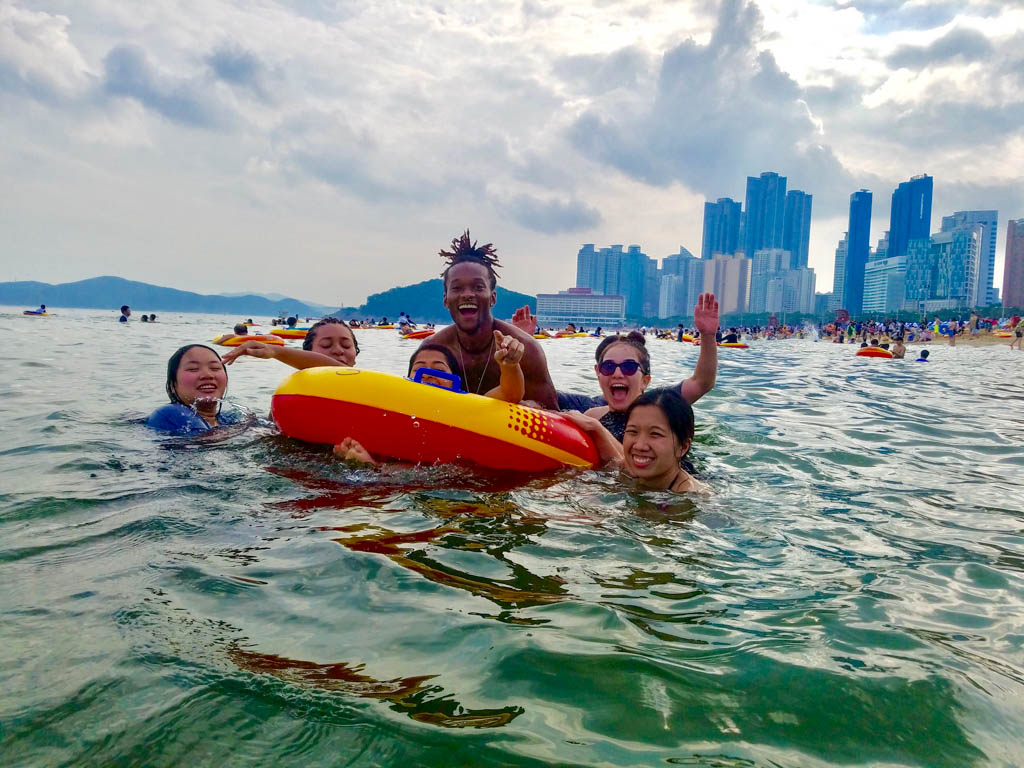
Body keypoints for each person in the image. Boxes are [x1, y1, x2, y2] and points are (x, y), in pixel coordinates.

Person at [420, 230, 557, 408]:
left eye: (478, 287)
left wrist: (530, 405)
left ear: (493, 298)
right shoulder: (432, 349)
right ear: (446, 300)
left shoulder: (527, 349)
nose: (467, 294)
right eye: (457, 288)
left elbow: (553, 411)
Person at [547, 293, 719, 426]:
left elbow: (702, 382)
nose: (617, 373)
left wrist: (708, 336)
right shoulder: (591, 414)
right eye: (608, 367)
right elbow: (545, 394)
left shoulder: (661, 407)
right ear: (598, 374)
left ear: (645, 380)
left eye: (628, 366)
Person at [564, 389, 708, 494]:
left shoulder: (692, 497)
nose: (639, 446)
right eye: (632, 431)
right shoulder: (625, 470)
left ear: (683, 447)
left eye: (655, 434)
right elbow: (614, 459)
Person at [147, 345, 240, 434]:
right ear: (173, 384)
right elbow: (206, 440)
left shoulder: (228, 419)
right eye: (193, 369)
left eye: (215, 368)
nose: (207, 375)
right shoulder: (170, 414)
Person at [223, 317, 359, 369]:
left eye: (346, 345)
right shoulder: (292, 392)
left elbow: (342, 371)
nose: (338, 350)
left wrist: (275, 351)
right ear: (307, 353)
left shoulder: (367, 384)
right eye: (326, 345)